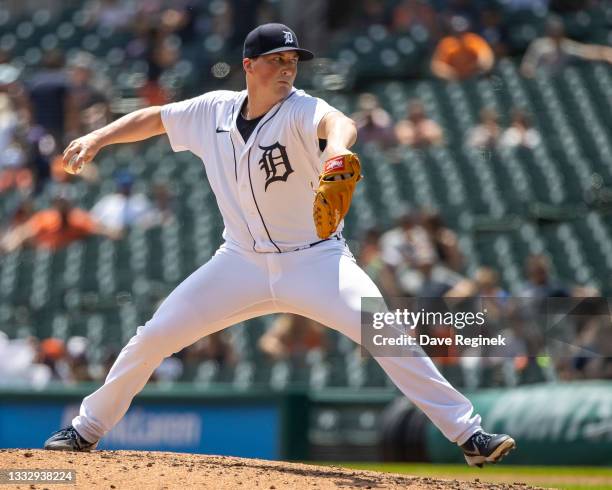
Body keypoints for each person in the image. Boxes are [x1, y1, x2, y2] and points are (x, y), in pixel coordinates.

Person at [43, 23, 515, 467]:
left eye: (293, 59)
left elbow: (340, 124)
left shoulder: (301, 109)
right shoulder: (213, 111)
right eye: (276, 59)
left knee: (386, 332)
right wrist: (98, 137)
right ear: (248, 65)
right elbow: (155, 118)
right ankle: (84, 429)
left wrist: (336, 155)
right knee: (153, 337)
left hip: (316, 260)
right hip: (239, 262)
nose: (288, 67)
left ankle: (469, 435)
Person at [520, 16, 612, 79]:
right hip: (540, 81)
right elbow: (526, 67)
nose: (556, 34)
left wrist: (606, 53)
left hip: (559, 82)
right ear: (548, 32)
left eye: (558, 31)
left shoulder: (566, 46)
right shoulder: (539, 46)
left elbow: (587, 51)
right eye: (553, 31)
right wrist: (538, 76)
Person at [431, 16, 495, 81]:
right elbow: (436, 65)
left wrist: (479, 66)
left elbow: (486, 56)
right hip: (456, 82)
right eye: (457, 31)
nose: (460, 34)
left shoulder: (472, 39)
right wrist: (451, 73)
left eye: (462, 30)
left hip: (476, 78)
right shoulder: (447, 43)